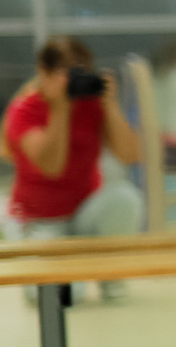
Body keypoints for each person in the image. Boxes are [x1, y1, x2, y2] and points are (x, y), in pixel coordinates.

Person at [5, 37, 145, 302]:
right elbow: (52, 167)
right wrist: (60, 109)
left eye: (80, 71)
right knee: (62, 297)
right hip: (39, 221)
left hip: (83, 211)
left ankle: (111, 280)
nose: (73, 79)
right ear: (43, 74)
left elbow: (131, 155)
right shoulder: (24, 110)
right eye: (65, 71)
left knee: (125, 198)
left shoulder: (91, 105)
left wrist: (111, 106)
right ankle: (59, 276)